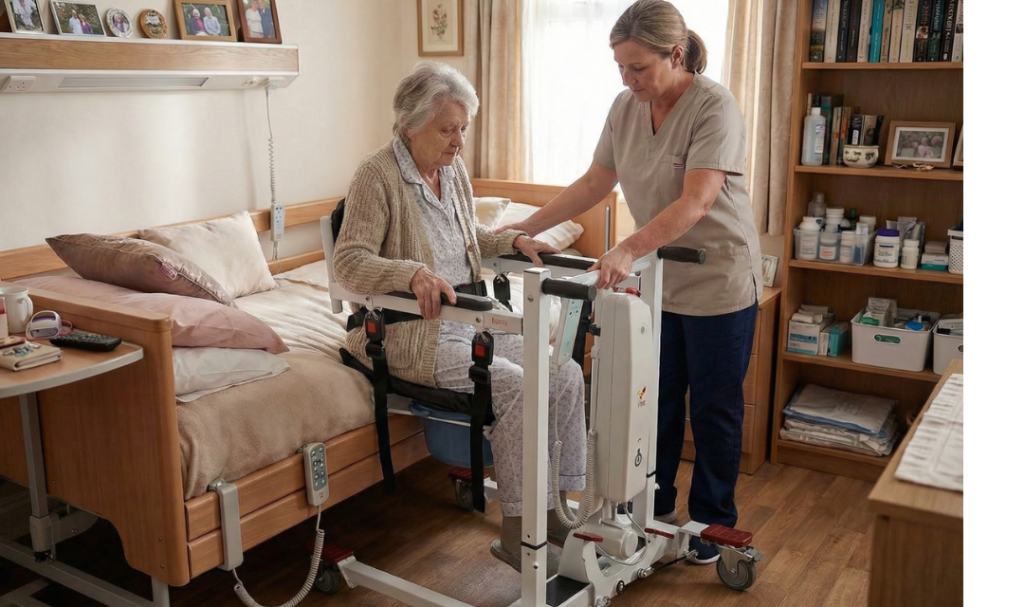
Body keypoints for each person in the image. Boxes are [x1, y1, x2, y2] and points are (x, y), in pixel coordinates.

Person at [499, 0, 762, 565]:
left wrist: (626, 248)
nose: (628, 78)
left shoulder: (714, 106)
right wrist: (527, 225)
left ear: (675, 54)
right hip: (660, 279)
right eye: (620, 66)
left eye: (638, 67)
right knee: (655, 400)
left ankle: (714, 523)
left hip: (717, 277)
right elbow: (596, 180)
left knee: (714, 409)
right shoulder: (625, 107)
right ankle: (656, 510)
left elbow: (697, 200)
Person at [332, 61, 586, 577]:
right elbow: (349, 262)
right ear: (409, 123)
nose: (459, 142)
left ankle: (555, 509)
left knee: (564, 371)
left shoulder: (453, 172)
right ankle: (519, 534)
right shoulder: (376, 174)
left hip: (470, 321)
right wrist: (412, 273)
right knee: (514, 386)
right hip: (413, 332)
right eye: (447, 129)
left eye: (463, 128)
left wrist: (512, 240)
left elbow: (469, 240)